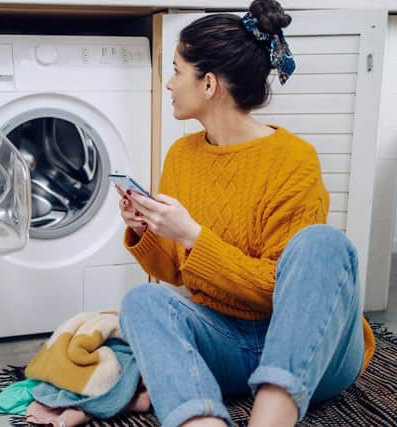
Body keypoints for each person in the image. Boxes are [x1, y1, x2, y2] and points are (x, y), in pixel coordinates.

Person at [115, 1, 375, 426]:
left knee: (323, 243)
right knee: (142, 301)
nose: (168, 83)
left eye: (178, 70)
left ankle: (271, 415)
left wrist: (194, 237)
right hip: (226, 342)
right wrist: (148, 230)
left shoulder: (294, 160)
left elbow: (284, 294)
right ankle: (200, 420)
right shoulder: (182, 155)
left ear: (210, 84)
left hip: (313, 353)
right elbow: (174, 273)